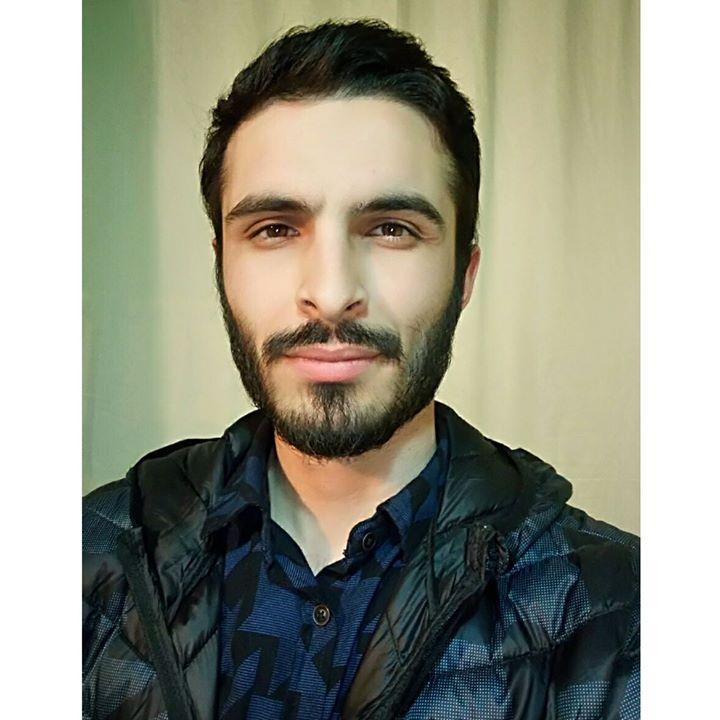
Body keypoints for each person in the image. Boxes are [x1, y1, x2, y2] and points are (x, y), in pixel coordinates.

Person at [82, 19, 639, 720]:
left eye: (391, 228)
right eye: (275, 229)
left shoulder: (622, 614)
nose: (331, 291)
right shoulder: (85, 562)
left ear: (463, 275)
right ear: (221, 265)